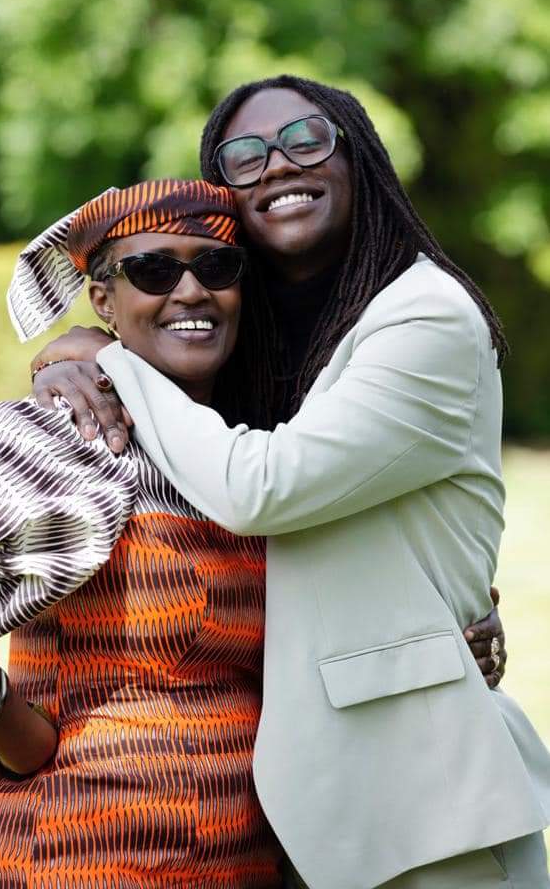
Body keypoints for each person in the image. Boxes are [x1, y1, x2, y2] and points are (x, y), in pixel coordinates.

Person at [28, 77, 550, 888]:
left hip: (421, 802)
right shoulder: (271, 339)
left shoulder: (426, 318)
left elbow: (260, 488)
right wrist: (10, 728)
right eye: (244, 156)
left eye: (305, 141)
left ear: (359, 158)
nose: (275, 165)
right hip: (295, 803)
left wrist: (113, 360)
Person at [0, 180, 287, 889]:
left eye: (216, 267)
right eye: (153, 270)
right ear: (101, 299)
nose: (190, 291)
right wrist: (17, 738)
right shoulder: (64, 432)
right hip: (75, 856)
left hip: (232, 860)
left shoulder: (243, 455)